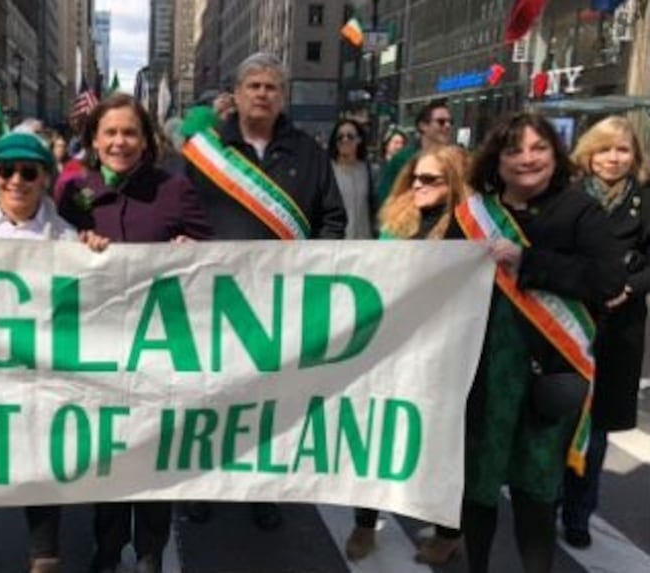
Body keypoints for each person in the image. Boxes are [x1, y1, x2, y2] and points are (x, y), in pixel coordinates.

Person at [448, 112, 626, 573]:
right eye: (514, 150)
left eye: (538, 148)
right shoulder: (474, 215)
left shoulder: (578, 210)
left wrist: (528, 261)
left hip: (547, 375)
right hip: (481, 374)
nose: (527, 159)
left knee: (536, 492)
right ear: (496, 159)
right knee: (478, 487)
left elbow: (607, 279)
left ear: (555, 154)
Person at [183, 51, 345, 532]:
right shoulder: (204, 151)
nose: (262, 94)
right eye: (253, 85)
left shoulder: (310, 154)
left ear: (283, 96)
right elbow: (180, 215)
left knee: (271, 403)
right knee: (212, 398)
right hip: (215, 303)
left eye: (271, 87)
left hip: (282, 305)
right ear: (236, 94)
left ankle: (263, 490)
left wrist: (314, 269)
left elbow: (333, 219)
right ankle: (203, 485)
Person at [57, 93, 213, 573]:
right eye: (110, 133)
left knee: (152, 459)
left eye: (130, 133)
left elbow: (215, 256)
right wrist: (76, 244)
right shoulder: (74, 191)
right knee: (108, 460)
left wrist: (193, 249)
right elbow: (48, 256)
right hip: (99, 351)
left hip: (158, 352)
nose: (120, 142)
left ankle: (149, 553)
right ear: (94, 140)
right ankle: (106, 552)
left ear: (146, 140)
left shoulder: (175, 188)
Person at [0, 132, 108, 573]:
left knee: (40, 472)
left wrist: (96, 257)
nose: (16, 180)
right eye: (6, 170)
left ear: (44, 179)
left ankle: (44, 557)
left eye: (28, 172)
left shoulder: (71, 240)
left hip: (41, 381)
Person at [344, 145, 471, 564]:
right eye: (415, 177)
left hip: (445, 351)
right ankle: (365, 524)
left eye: (430, 179)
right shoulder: (396, 222)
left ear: (452, 182)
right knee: (377, 433)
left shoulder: (469, 228)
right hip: (393, 349)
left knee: (441, 442)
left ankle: (448, 532)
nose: (417, 185)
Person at [561, 116, 650, 548]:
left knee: (595, 430)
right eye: (604, 149)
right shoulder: (568, 194)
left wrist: (630, 286)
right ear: (588, 153)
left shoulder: (644, 199)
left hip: (620, 328)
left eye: (623, 150)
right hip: (568, 321)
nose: (613, 159)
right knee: (560, 415)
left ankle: (579, 512)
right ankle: (549, 497)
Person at [377, 100, 454, 207]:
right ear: (423, 126)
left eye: (451, 122)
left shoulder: (455, 161)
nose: (447, 126)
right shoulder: (402, 159)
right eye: (441, 122)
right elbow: (386, 198)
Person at [327, 119, 374, 238]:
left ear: (359, 140)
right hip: (336, 243)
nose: (345, 140)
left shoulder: (368, 170)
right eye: (340, 137)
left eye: (350, 136)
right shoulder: (327, 170)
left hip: (365, 243)